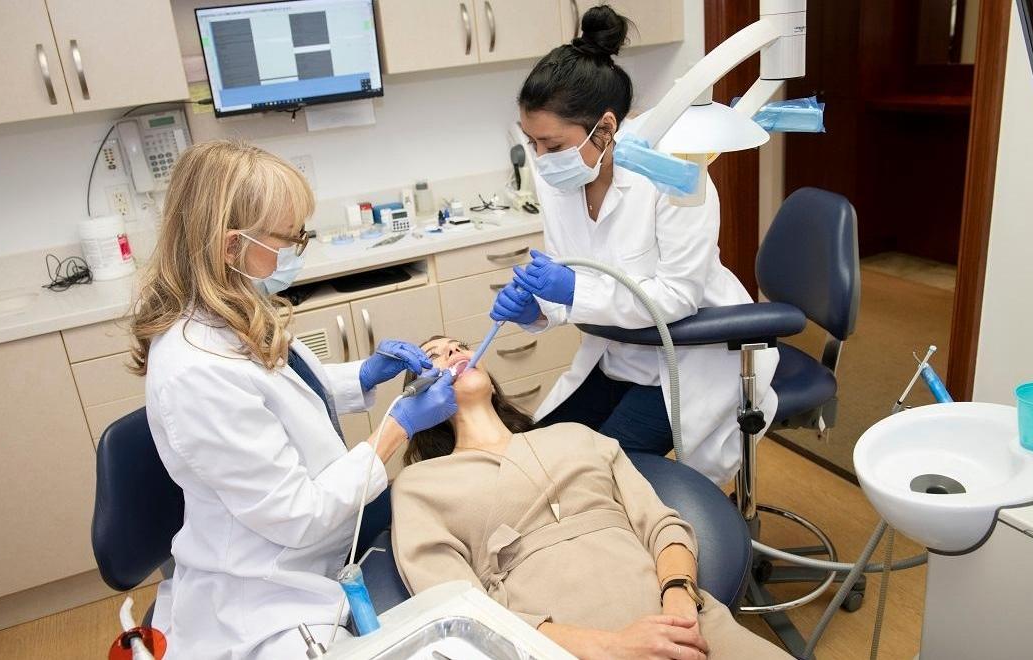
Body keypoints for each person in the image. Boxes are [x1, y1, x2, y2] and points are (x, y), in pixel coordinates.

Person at [129, 140, 457, 659]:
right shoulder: (194, 372)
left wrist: (366, 375)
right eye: (290, 238)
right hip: (269, 586)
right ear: (230, 246)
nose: (299, 249)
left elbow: (285, 394)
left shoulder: (234, 306)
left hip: (325, 533)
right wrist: (399, 425)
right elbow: (297, 514)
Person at [490, 5, 779, 485]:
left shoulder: (675, 176)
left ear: (604, 129)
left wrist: (571, 291)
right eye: (531, 142)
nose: (540, 159)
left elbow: (679, 298)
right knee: (537, 462)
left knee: (593, 479)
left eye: (552, 144)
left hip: (687, 361)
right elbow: (575, 280)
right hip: (617, 354)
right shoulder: (558, 177)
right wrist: (538, 310)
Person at [390, 337, 790, 660]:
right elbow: (460, 609)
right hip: (555, 645)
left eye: (458, 345)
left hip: (684, 623)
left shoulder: (575, 435)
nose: (455, 352)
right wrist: (615, 647)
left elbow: (663, 525)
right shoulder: (420, 485)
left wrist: (680, 601)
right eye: (433, 357)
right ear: (418, 397)